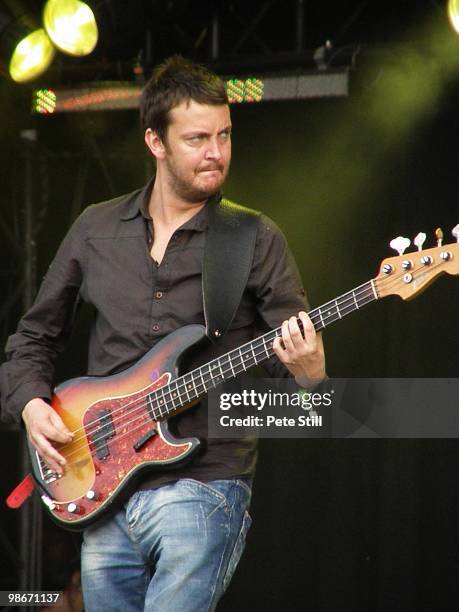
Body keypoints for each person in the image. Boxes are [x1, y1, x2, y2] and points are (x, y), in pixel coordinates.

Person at [1, 55, 325, 611]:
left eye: (224, 135)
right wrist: (31, 404)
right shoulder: (96, 229)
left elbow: (299, 392)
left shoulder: (253, 238)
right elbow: (34, 334)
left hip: (204, 484)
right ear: (155, 141)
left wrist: (310, 371)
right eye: (198, 138)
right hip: (101, 485)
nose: (216, 152)